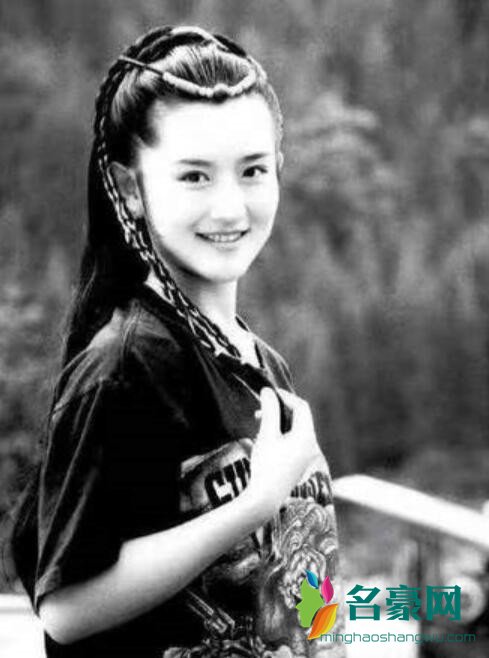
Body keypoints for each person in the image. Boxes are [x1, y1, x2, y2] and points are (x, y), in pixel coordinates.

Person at [9, 25, 344, 657]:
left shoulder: (263, 364)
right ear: (130, 188)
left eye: (252, 170)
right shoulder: (128, 363)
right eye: (195, 177)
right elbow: (66, 609)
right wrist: (253, 504)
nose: (230, 208)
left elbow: (302, 597)